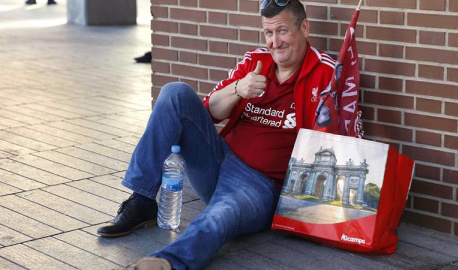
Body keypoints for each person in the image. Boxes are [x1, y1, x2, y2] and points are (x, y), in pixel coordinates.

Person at [97, 0, 335, 269]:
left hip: (261, 185)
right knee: (175, 93)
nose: (275, 42)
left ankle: (167, 262)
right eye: (268, 33)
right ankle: (141, 198)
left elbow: (338, 140)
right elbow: (209, 111)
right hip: (219, 160)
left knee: (221, 214)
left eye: (282, 31)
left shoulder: (326, 74)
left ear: (304, 28)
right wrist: (238, 89)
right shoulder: (256, 61)